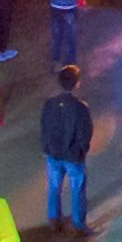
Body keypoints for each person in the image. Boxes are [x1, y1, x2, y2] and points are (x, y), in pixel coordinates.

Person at [35, 62, 96, 227]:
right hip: (73, 156)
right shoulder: (80, 107)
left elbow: (44, 127)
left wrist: (47, 148)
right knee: (77, 189)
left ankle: (54, 219)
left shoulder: (50, 104)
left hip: (53, 154)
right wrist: (82, 150)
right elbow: (85, 132)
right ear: (77, 83)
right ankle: (79, 224)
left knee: (54, 186)